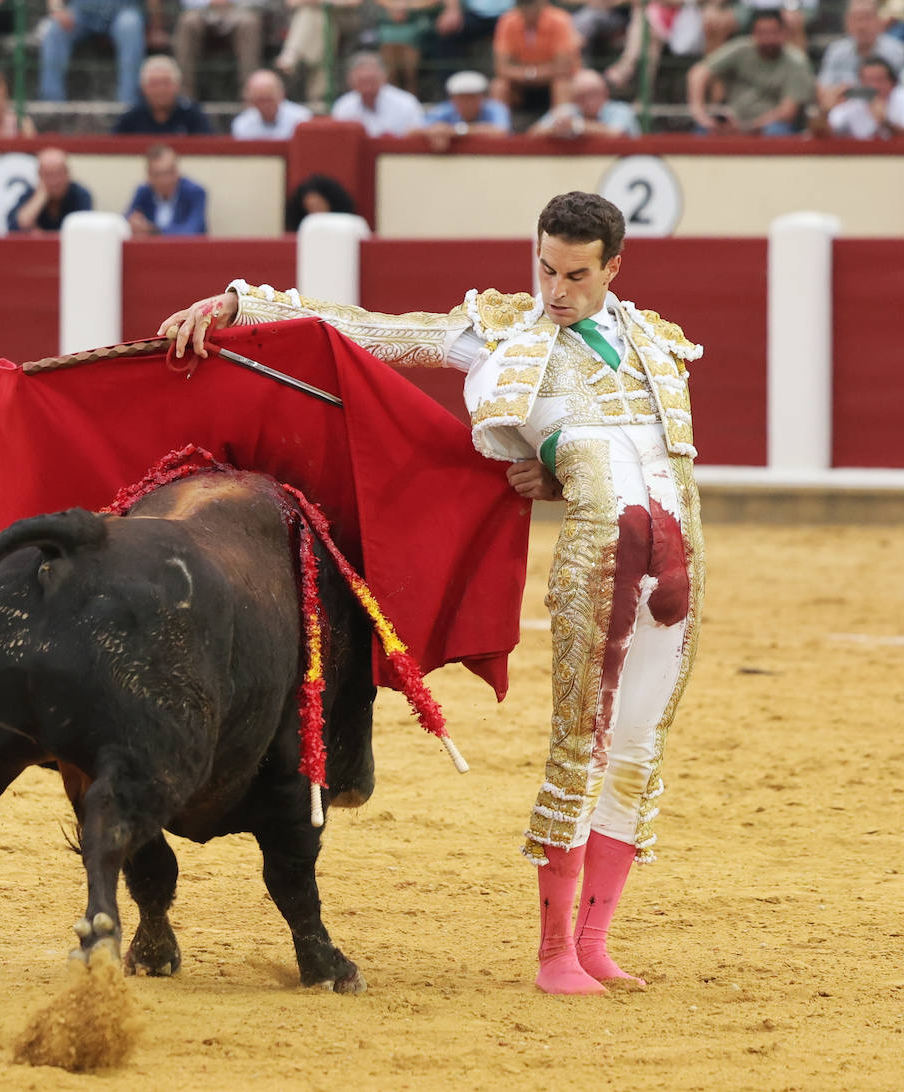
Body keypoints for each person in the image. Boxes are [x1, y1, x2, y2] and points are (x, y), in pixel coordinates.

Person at [156, 190, 705, 995]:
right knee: (580, 749)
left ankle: (597, 942)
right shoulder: (500, 333)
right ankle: (556, 954)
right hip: (599, 573)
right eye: (546, 268)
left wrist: (551, 476)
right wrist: (243, 303)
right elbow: (374, 329)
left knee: (637, 755)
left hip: (685, 566)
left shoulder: (655, 342)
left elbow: (654, 461)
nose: (556, 290)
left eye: (577, 275)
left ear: (613, 268)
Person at [685, 8, 814, 134]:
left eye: (773, 32)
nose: (768, 39)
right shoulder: (741, 49)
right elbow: (698, 73)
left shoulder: (797, 61)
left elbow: (787, 113)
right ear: (753, 34)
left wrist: (745, 128)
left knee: (777, 131)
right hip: (731, 121)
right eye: (762, 33)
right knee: (702, 131)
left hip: (770, 126)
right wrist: (699, 114)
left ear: (783, 33)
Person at [39, 0, 154, 106]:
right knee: (55, 31)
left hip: (123, 11)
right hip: (82, 12)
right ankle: (51, 104)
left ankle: (128, 105)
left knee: (131, 27)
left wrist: (156, 26)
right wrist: (57, 9)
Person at [816, 0, 904, 113]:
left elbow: (903, 92)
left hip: (886, 112)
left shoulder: (896, 51)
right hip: (843, 112)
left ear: (878, 21)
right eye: (856, 19)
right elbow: (823, 89)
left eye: (867, 18)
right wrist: (837, 93)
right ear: (847, 23)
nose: (862, 26)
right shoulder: (836, 51)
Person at [491, 0, 582, 115]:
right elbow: (501, 68)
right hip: (520, 83)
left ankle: (560, 127)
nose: (527, 7)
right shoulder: (507, 20)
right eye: (523, 3)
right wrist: (529, 74)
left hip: (552, 81)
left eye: (531, 3)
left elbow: (563, 68)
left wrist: (530, 73)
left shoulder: (560, 19)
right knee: (499, 86)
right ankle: (499, 129)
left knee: (562, 85)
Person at [815, 55, 904, 136]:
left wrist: (886, 123)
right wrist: (824, 111)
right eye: (868, 81)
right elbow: (822, 133)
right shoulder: (854, 102)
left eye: (879, 80)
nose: (873, 87)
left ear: (892, 82)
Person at [275, 0, 366, 101]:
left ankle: (291, 54)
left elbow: (353, 2)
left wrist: (322, 2)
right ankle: (318, 98)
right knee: (315, 16)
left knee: (314, 14)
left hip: (344, 18)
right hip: (319, 22)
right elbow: (291, 2)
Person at [173, 0, 265, 100]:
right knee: (187, 21)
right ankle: (185, 98)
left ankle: (251, 96)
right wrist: (208, 2)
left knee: (249, 23)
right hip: (202, 10)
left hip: (238, 10)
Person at [329, 52, 427, 137]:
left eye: (371, 80)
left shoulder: (406, 103)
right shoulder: (343, 106)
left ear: (384, 77)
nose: (367, 87)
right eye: (362, 81)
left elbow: (418, 135)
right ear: (350, 81)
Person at [113, 56, 214, 134]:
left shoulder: (193, 114)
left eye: (166, 83)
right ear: (143, 88)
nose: (161, 90)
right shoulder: (131, 117)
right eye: (154, 84)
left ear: (177, 86)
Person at [528, 68, 640, 137]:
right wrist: (553, 130)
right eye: (581, 96)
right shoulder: (567, 111)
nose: (588, 100)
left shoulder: (621, 110)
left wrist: (577, 126)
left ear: (605, 94)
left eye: (593, 93)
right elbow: (531, 134)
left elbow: (617, 135)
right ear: (575, 99)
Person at [125, 144, 208, 235]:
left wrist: (153, 231)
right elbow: (125, 222)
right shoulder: (144, 191)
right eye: (159, 174)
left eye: (170, 172)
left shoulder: (195, 192)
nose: (166, 180)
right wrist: (133, 224)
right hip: (150, 248)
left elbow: (192, 230)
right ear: (149, 176)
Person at [7, 148, 93, 233]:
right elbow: (16, 227)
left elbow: (84, 230)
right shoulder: (30, 194)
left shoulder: (80, 195)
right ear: (39, 175)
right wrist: (40, 197)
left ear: (67, 173)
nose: (54, 181)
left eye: (58, 174)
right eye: (48, 175)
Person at [423, 69, 512, 151]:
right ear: (452, 98)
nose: (467, 102)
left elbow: (501, 132)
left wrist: (455, 131)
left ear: (483, 97)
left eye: (472, 97)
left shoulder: (495, 108)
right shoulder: (443, 109)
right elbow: (415, 130)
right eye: (462, 97)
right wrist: (436, 131)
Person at [375, 0, 446, 94]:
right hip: (389, 26)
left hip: (416, 24)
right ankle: (392, 85)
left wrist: (408, 7)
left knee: (409, 65)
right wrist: (394, 8)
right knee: (388, 41)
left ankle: (411, 88)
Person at [231, 69, 314, 139]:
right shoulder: (242, 124)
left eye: (268, 99)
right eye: (259, 100)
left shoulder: (301, 119)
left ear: (281, 95)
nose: (265, 105)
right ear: (250, 100)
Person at [283, 173, 358, 230]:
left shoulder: (350, 225)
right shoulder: (305, 228)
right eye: (310, 207)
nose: (316, 210)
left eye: (319, 204)